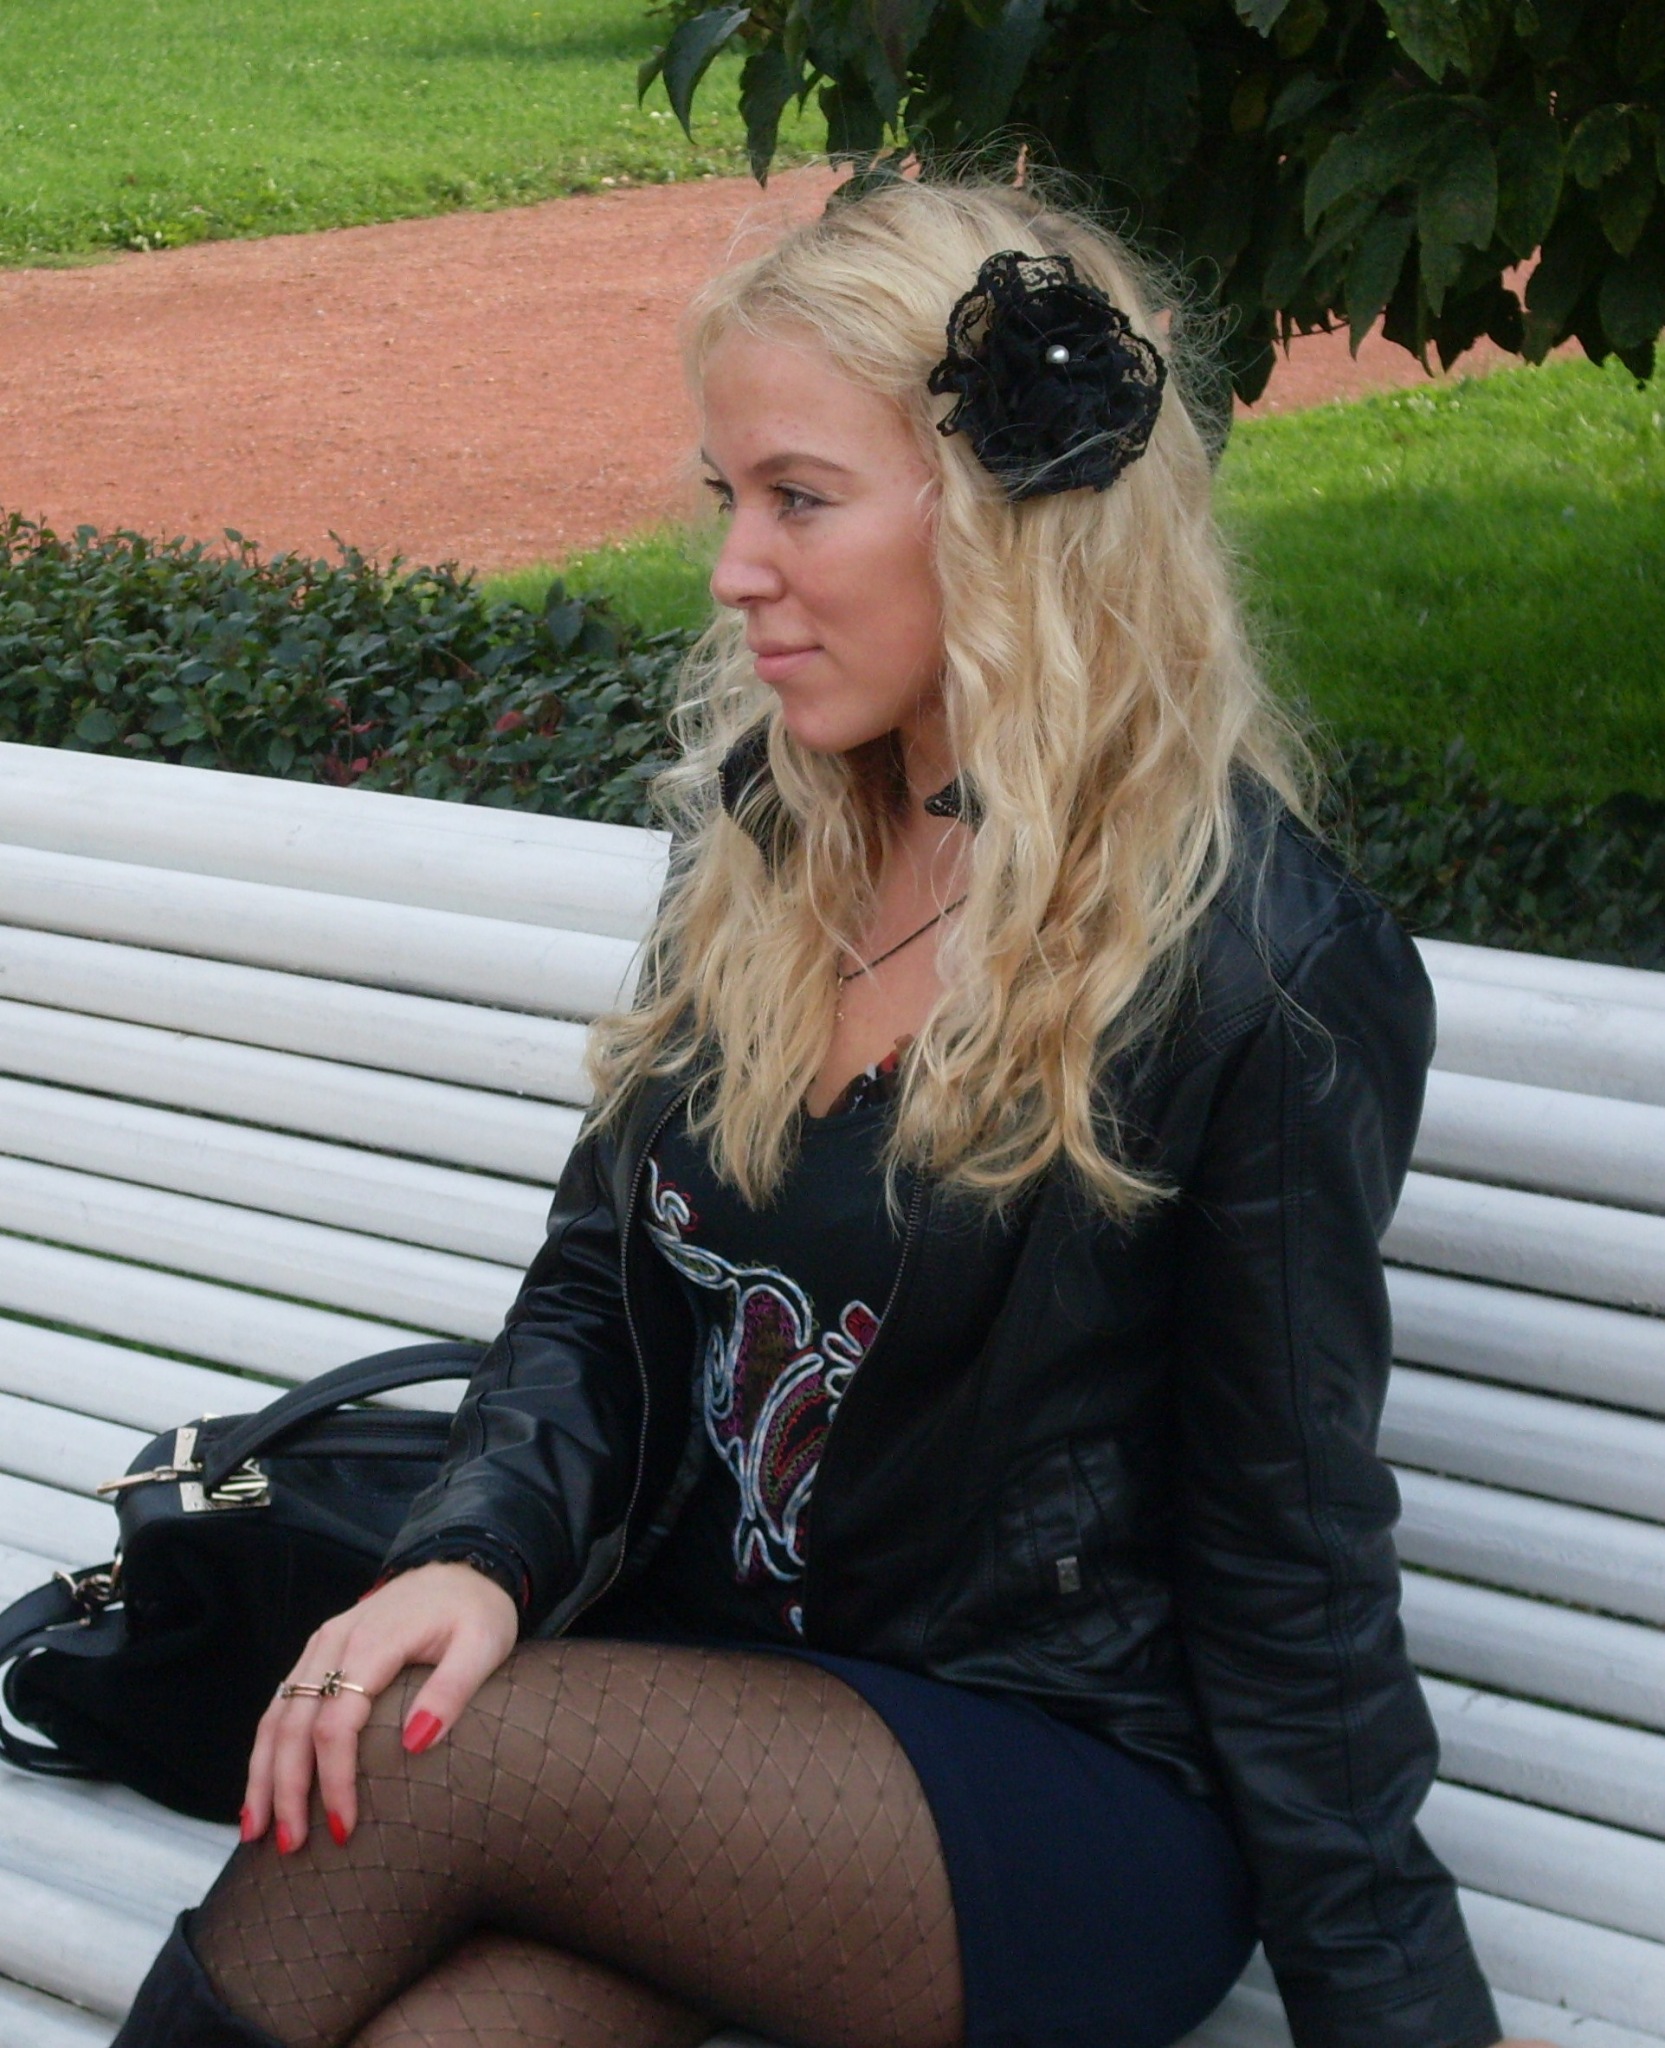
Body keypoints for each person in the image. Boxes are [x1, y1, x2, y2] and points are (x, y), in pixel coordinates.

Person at [114, 173, 1534, 2048]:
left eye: (798, 497)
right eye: (727, 497)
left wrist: (1394, 2013)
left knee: (426, 1740)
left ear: (1008, 518)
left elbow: (1291, 1546)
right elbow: (594, 1290)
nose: (732, 569)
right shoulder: (779, 835)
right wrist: (476, 1548)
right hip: (716, 1733)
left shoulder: (1254, 972)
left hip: (1048, 1789)